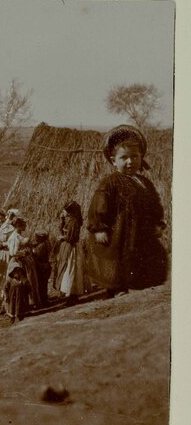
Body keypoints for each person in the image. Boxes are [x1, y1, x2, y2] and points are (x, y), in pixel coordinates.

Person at [87, 124, 167, 297]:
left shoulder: (144, 182)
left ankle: (139, 284)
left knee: (141, 257)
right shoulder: (110, 182)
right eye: (124, 158)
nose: (130, 162)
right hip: (120, 232)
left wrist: (158, 223)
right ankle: (116, 289)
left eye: (134, 156)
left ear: (141, 157)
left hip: (141, 230)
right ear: (113, 160)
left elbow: (155, 204)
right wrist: (99, 227)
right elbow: (99, 205)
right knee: (118, 259)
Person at [54, 201, 86, 306]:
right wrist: (62, 220)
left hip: (72, 249)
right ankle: (71, 295)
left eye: (66, 211)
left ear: (70, 212)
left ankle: (73, 296)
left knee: (71, 271)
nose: (64, 212)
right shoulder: (70, 221)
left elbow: (72, 238)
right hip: (68, 248)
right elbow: (62, 231)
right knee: (68, 270)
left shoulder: (74, 222)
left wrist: (62, 238)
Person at [7, 216, 42, 310]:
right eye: (23, 225)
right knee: (24, 282)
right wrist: (24, 253)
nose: (25, 226)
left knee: (31, 281)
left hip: (26, 261)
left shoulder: (20, 235)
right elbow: (12, 252)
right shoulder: (14, 237)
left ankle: (32, 302)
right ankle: (23, 305)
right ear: (18, 226)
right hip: (19, 262)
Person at [0, 208, 17, 311]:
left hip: (7, 254)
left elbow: (13, 242)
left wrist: (2, 244)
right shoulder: (0, 228)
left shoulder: (11, 228)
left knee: (6, 278)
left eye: (1, 218)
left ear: (5, 217)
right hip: (0, 255)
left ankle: (7, 303)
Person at [3, 260, 30, 324]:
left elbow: (27, 286)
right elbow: (5, 288)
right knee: (12, 307)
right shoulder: (9, 280)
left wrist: (28, 291)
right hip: (12, 297)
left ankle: (19, 316)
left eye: (19, 272)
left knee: (19, 306)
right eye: (15, 272)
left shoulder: (23, 279)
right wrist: (6, 296)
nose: (17, 274)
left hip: (20, 297)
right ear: (12, 273)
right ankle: (12, 317)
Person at [31, 231, 52, 307]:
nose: (36, 239)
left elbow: (37, 256)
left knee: (41, 285)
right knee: (43, 284)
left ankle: (43, 301)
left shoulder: (41, 246)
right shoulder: (45, 244)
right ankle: (44, 300)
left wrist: (32, 252)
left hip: (42, 267)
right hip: (45, 266)